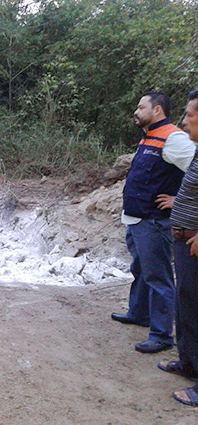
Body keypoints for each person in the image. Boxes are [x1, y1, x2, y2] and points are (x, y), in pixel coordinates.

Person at [111, 91, 195, 353]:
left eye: (141, 107)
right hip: (138, 219)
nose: (136, 112)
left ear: (157, 110)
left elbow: (195, 169)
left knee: (159, 278)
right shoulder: (150, 135)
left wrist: (177, 200)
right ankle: (139, 313)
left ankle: (161, 335)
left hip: (154, 222)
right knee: (140, 270)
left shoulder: (174, 138)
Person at [157, 89, 198, 406]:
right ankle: (189, 363)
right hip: (184, 241)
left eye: (189, 115)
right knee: (186, 306)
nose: (183, 121)